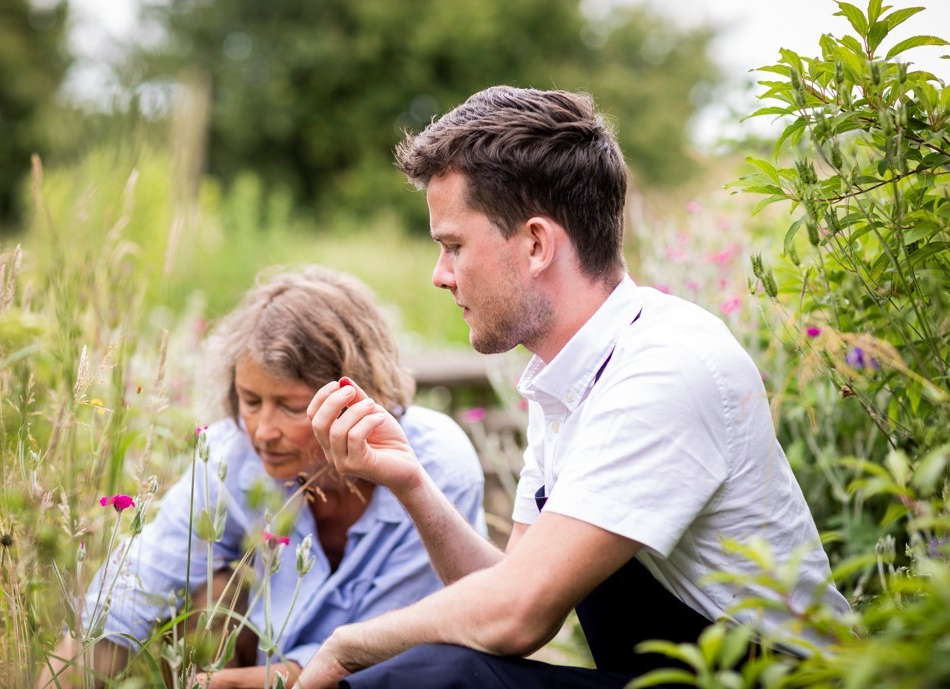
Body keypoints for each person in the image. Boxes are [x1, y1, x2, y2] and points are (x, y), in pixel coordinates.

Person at [300, 86, 851, 689]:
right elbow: (513, 590)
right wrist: (408, 479)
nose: (440, 275)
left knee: (440, 677)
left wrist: (346, 648)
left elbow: (516, 613)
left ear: (536, 243)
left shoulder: (665, 367)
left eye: (454, 246)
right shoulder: (573, 374)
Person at [36, 266, 487, 689]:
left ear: (354, 398)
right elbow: (136, 585)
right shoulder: (232, 455)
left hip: (396, 675)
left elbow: (383, 647)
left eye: (290, 407)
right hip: (276, 660)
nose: (263, 431)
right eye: (250, 401)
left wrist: (242, 683)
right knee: (212, 595)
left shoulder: (434, 465)